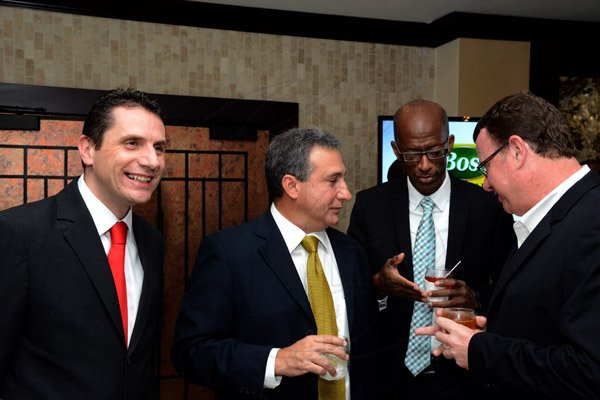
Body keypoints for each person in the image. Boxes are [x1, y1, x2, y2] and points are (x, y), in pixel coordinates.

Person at [416, 91, 600, 399]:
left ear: (516, 150)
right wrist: (492, 332)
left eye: (486, 166)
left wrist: (480, 350)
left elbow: (589, 372)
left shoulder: (591, 224)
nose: (486, 183)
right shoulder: (551, 218)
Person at [171, 127, 379, 399]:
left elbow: (369, 348)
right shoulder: (229, 253)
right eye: (333, 181)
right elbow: (191, 352)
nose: (346, 193)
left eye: (344, 179)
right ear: (291, 185)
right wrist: (277, 361)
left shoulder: (352, 252)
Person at [0, 88, 167, 399]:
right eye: (132, 143)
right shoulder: (19, 234)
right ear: (88, 150)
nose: (152, 160)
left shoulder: (152, 242)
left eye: (159, 148)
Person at [347, 99, 515, 399]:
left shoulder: (487, 207)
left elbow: (511, 286)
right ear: (397, 151)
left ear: (449, 144)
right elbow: (349, 290)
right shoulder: (370, 206)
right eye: (412, 155)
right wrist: (379, 285)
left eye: (435, 152)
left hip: (461, 372)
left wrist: (475, 296)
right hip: (386, 371)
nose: (425, 165)